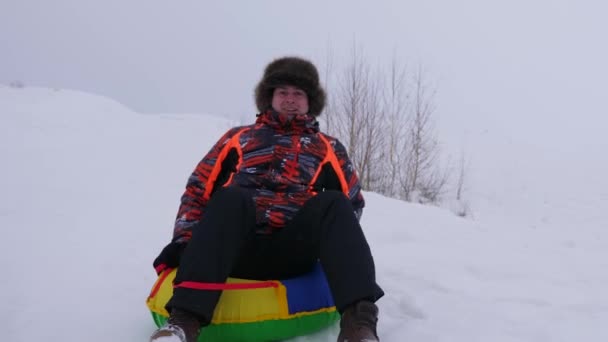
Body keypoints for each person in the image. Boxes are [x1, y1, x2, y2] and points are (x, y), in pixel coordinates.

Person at [149, 56, 384, 342]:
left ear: (310, 101)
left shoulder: (329, 148)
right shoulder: (239, 138)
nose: (290, 100)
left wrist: (330, 250)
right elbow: (198, 189)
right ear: (269, 97)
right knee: (231, 197)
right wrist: (185, 243)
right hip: (236, 247)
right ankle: (182, 323)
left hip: (292, 251)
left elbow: (352, 205)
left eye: (299, 93)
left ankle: (358, 328)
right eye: (283, 92)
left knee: (334, 203)